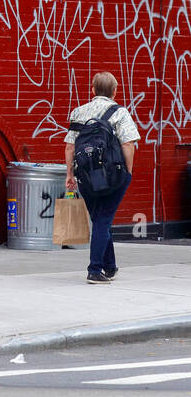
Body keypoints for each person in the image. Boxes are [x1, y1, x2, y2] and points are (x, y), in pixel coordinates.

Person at [63, 71, 140, 284]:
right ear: (115, 92)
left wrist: (70, 173)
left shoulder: (78, 112)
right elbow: (128, 144)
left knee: (99, 219)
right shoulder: (120, 113)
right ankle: (94, 270)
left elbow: (70, 146)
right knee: (103, 219)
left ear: (93, 90)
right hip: (112, 175)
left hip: (85, 175)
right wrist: (128, 172)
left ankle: (110, 266)